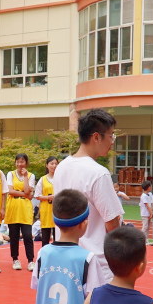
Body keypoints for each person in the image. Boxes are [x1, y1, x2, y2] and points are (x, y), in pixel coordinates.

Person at [53, 109, 123, 281]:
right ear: (96, 137)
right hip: (96, 264)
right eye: (111, 135)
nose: (112, 141)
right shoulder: (98, 173)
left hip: (65, 258)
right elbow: (112, 223)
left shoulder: (62, 167)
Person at [6, 153, 36, 271]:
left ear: (26, 163)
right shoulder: (10, 174)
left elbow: (28, 190)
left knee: (27, 235)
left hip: (25, 208)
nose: (20, 164)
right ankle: (15, 259)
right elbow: (11, 191)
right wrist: (25, 194)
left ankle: (30, 261)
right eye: (18, 161)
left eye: (22, 161)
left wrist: (25, 177)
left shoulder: (31, 176)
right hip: (13, 207)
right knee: (13, 236)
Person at [36, 156, 57, 247]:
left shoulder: (60, 178)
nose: (54, 166)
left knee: (58, 237)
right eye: (52, 164)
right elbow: (37, 196)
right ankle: (44, 258)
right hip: (46, 210)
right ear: (47, 165)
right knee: (45, 236)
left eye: (56, 164)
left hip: (57, 210)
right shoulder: (43, 179)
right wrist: (48, 197)